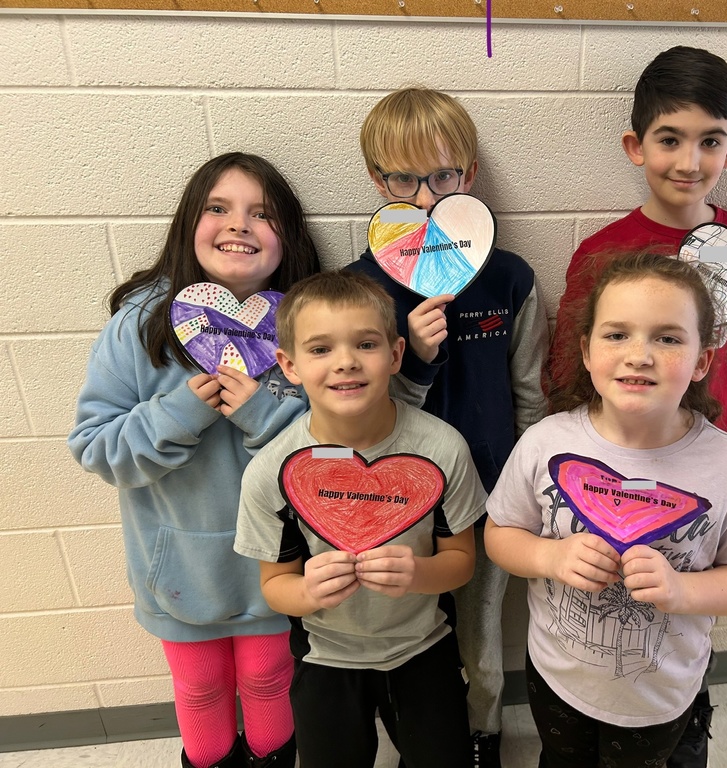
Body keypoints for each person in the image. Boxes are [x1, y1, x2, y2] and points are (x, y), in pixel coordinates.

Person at [546, 47, 727, 766]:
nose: (690, 160)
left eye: (711, 140)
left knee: (682, 613)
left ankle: (682, 717)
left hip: (706, 471)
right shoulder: (603, 252)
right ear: (637, 146)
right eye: (670, 138)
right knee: (608, 603)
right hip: (614, 471)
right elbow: (567, 371)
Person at [68, 153, 321, 768]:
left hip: (276, 571)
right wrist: (178, 413)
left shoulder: (310, 324)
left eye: (262, 214)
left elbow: (336, 454)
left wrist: (265, 414)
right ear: (190, 222)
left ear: (288, 238)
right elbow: (95, 447)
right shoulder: (138, 326)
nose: (239, 225)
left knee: (269, 680)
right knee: (202, 688)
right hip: (177, 575)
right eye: (218, 208)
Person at [486, 252, 727, 768]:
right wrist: (550, 559)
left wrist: (683, 589)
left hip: (660, 698)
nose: (638, 355)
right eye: (617, 335)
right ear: (588, 351)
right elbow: (501, 534)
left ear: (701, 361)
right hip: (557, 678)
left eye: (667, 338)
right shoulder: (543, 443)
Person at [345, 86, 549, 768]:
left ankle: (483, 737)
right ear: (378, 180)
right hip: (395, 500)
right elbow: (348, 411)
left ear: (469, 175)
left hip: (488, 498)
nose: (427, 197)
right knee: (406, 634)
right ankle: (425, 741)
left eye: (442, 176)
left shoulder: (511, 280)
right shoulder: (360, 288)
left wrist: (527, 493)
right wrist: (414, 356)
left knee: (481, 642)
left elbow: (530, 399)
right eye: (404, 179)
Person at [233, 269, 486, 768]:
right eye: (321, 349)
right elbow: (274, 585)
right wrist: (306, 591)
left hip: (424, 647)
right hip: (325, 656)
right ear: (289, 364)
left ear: (395, 355)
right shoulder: (273, 471)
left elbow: (461, 561)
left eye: (365, 344)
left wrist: (418, 573)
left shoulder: (442, 448)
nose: (346, 362)